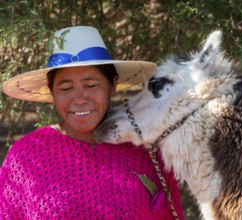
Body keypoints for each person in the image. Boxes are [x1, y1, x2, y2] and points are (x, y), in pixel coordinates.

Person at [0, 26, 184, 219]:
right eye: (66, 88)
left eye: (91, 85)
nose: (79, 98)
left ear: (113, 84)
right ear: (51, 90)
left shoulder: (146, 152)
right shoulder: (26, 157)